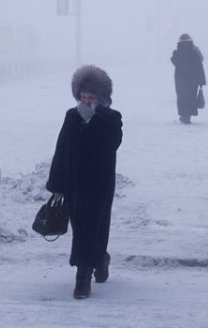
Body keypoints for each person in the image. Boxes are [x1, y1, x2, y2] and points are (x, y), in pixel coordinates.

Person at [46, 65, 122, 300]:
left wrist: (94, 122)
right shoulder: (71, 116)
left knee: (95, 227)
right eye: (83, 97)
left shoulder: (111, 118)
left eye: (92, 97)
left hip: (100, 184)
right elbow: (62, 149)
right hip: (74, 184)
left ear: (101, 98)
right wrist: (57, 184)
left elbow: (112, 145)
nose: (87, 101)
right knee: (81, 229)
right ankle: (92, 266)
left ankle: (87, 273)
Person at [170, 33, 207, 124]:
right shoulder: (195, 52)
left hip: (180, 80)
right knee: (191, 97)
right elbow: (200, 66)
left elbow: (173, 60)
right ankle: (188, 116)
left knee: (182, 97)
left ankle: (183, 115)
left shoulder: (177, 53)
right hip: (193, 80)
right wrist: (202, 82)